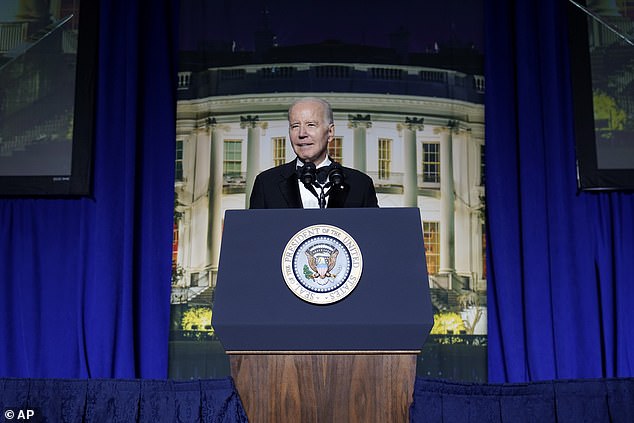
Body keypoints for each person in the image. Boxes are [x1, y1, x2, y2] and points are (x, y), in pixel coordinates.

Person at [249, 97, 378, 209]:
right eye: (295, 126)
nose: (301, 134)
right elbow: (253, 233)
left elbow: (373, 234)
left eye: (310, 125)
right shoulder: (266, 183)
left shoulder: (360, 185)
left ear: (330, 132)